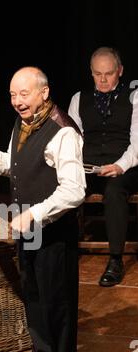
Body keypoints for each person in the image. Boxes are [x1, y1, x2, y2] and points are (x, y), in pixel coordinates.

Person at [0, 66, 86, 352]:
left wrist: (33, 215)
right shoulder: (24, 122)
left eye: (24, 94)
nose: (17, 101)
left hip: (53, 232)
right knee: (34, 299)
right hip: (28, 231)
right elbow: (14, 164)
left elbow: (75, 191)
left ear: (44, 93)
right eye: (12, 95)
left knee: (57, 303)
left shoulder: (63, 131)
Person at [68, 47, 138, 287]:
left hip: (124, 166)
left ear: (120, 71)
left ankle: (115, 259)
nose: (104, 79)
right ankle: (60, 252)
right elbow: (71, 140)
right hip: (88, 166)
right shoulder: (79, 99)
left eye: (109, 73)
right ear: (91, 73)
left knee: (114, 190)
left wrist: (119, 166)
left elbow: (137, 143)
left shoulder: (135, 97)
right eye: (98, 74)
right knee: (62, 184)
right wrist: (74, 167)